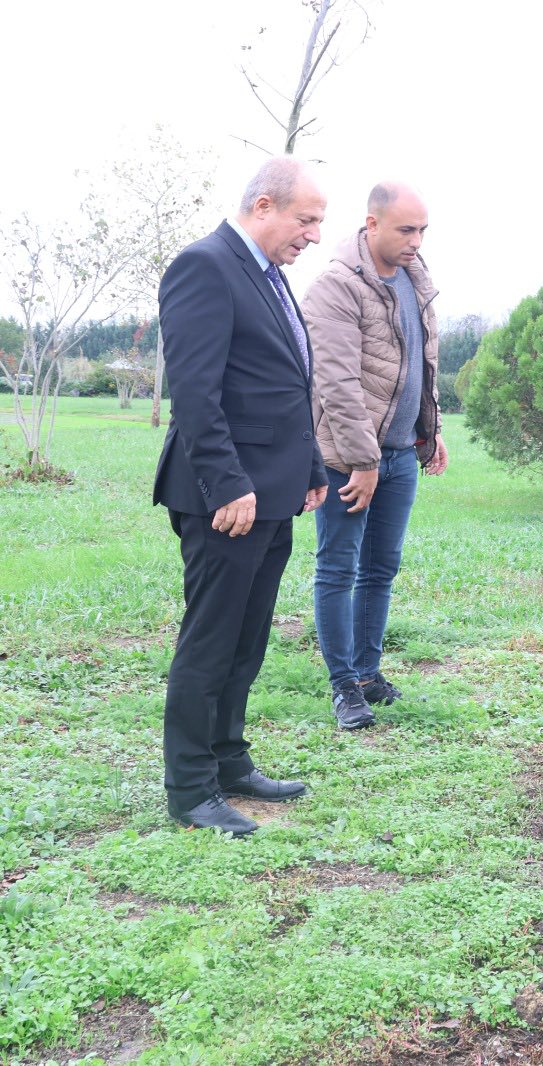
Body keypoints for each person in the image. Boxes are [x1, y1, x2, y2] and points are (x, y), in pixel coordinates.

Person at [154, 157, 328, 836]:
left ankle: (229, 760)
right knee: (211, 641)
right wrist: (230, 484)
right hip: (223, 498)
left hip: (276, 493)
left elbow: (287, 383)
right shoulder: (206, 266)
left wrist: (311, 464)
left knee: (247, 640)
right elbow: (195, 392)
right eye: (305, 219)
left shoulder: (270, 278)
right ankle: (191, 789)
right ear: (264, 206)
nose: (313, 234)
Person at [301, 182, 446, 730]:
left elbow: (419, 365)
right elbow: (336, 383)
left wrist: (428, 429)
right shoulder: (336, 287)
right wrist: (364, 462)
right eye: (406, 230)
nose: (416, 241)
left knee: (380, 569)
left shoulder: (414, 279)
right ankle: (343, 687)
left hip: (401, 454)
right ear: (372, 224)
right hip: (347, 457)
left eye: (423, 230)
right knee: (339, 567)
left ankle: (367, 673)